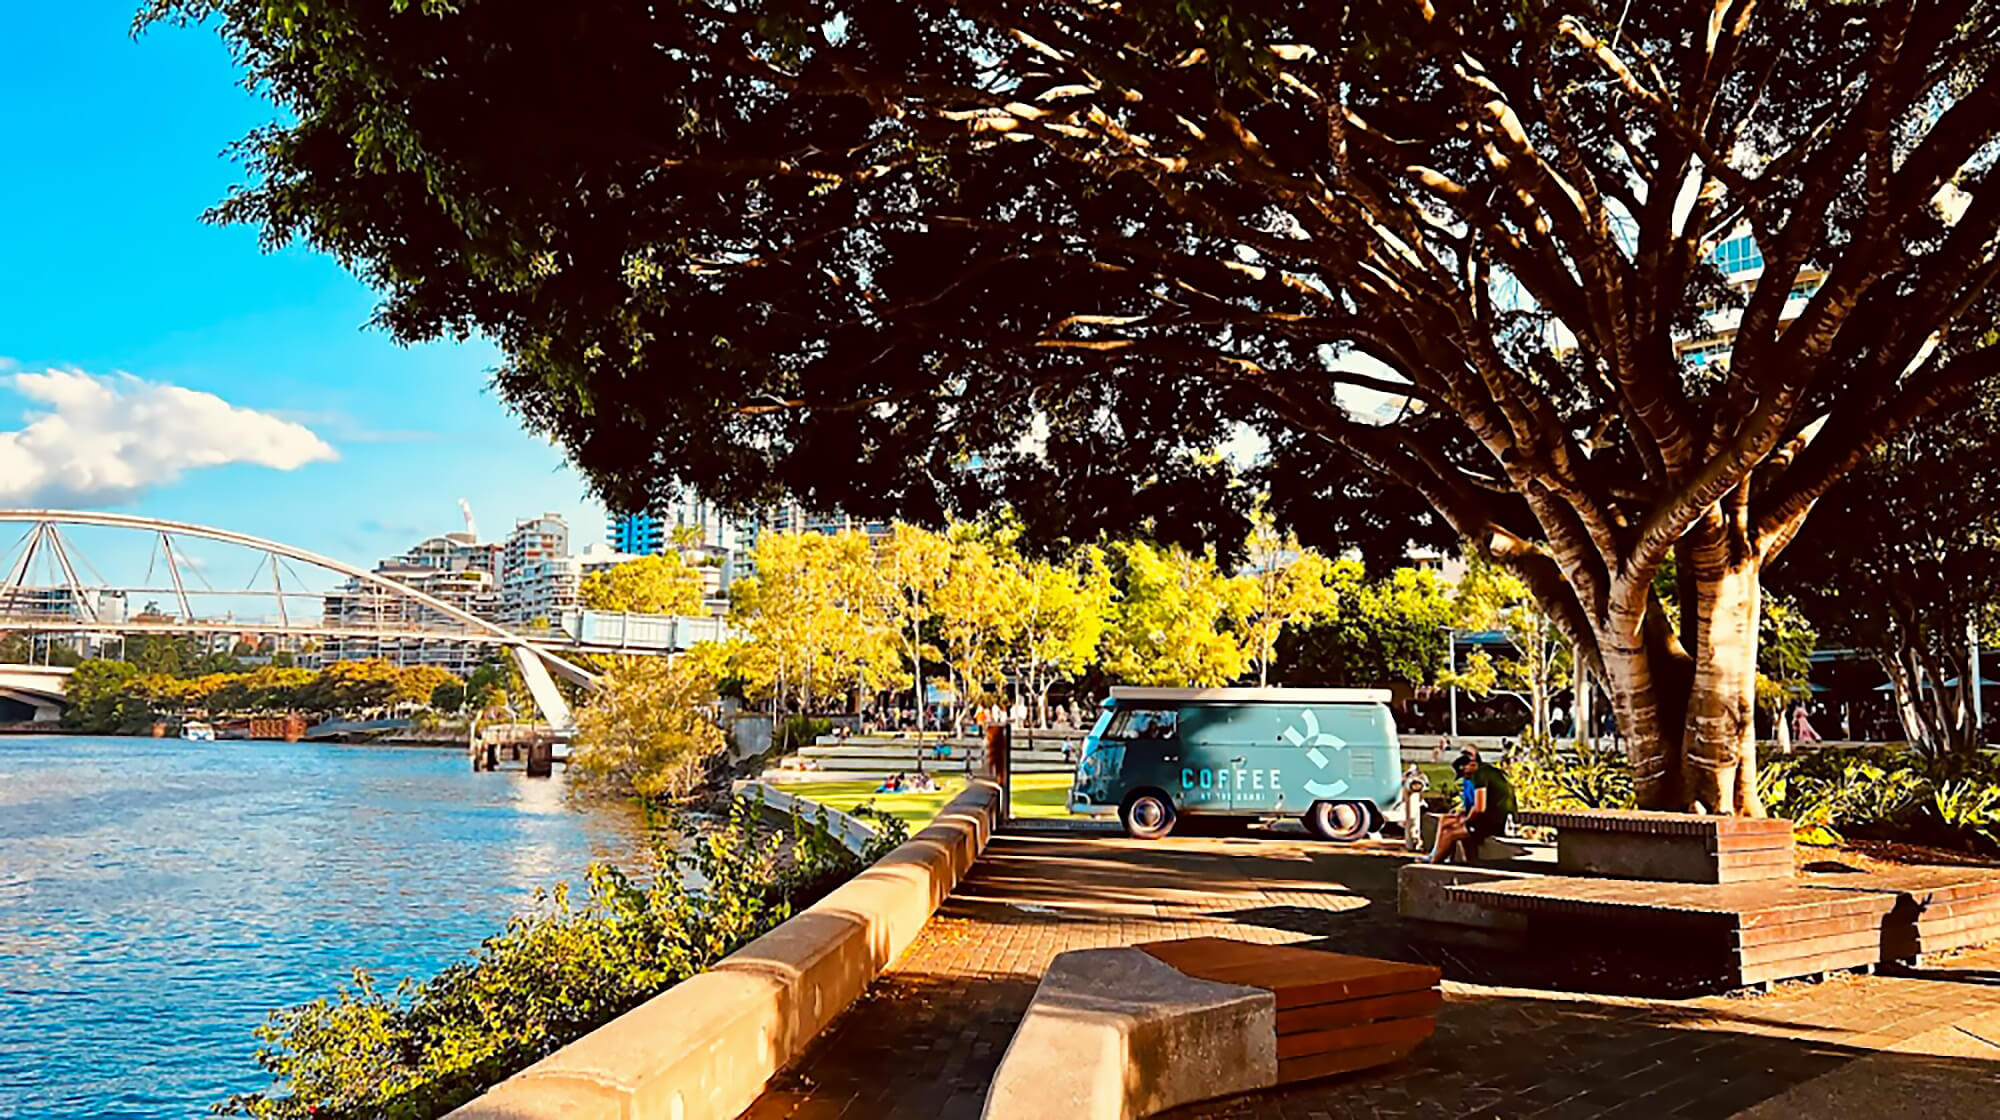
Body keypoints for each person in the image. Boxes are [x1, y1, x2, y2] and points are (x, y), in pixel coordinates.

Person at [1430, 750, 1516, 864]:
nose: (1466, 778)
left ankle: (1433, 863)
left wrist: (1465, 821)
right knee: (1448, 823)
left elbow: (1479, 808)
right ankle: (1437, 857)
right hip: (1503, 818)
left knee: (1449, 833)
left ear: (1472, 765)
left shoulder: (1478, 775)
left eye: (1465, 774)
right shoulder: (1489, 770)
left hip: (1495, 822)